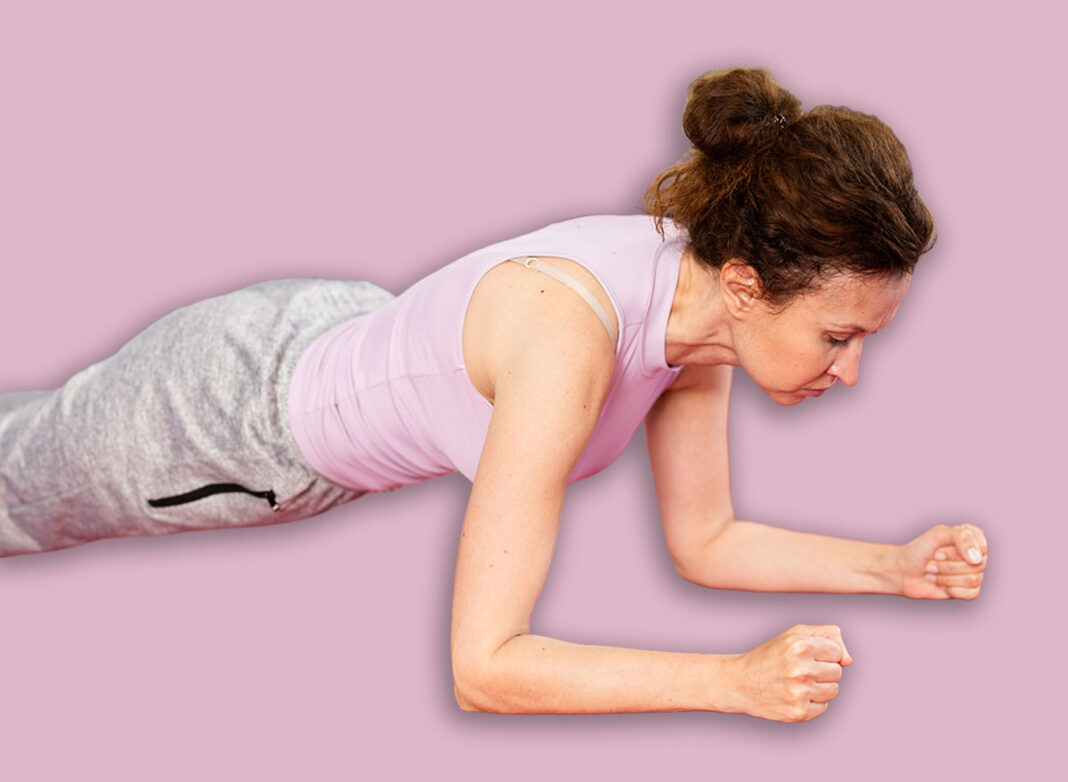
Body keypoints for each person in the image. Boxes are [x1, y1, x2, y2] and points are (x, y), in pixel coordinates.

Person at [0, 67, 987, 722]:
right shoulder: (572, 346)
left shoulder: (702, 314)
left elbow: (708, 540)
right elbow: (486, 666)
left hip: (320, 333)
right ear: (747, 285)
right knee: (12, 488)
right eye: (839, 337)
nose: (850, 372)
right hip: (226, 428)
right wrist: (731, 681)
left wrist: (894, 566)